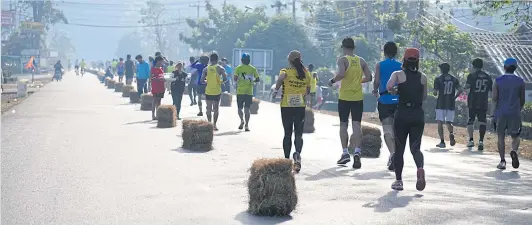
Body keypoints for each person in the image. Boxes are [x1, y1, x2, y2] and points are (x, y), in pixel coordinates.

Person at [328, 37, 372, 169]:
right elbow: (369, 77)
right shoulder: (361, 60)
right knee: (357, 125)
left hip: (345, 97)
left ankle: (345, 153)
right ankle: (357, 152)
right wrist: (359, 81)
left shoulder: (342, 59)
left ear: (343, 47)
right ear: (354, 48)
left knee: (343, 124)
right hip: (358, 97)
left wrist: (332, 81)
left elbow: (341, 74)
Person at [386, 48, 426, 191]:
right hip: (418, 114)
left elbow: (389, 87)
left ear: (404, 59)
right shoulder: (423, 77)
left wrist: (396, 90)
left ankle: (399, 181)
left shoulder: (398, 74)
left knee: (399, 148)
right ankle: (420, 168)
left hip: (402, 114)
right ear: (417, 61)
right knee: (415, 148)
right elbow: (424, 97)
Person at [272, 50, 311, 173]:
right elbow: (308, 90)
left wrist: (276, 89)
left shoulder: (285, 71)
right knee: (298, 133)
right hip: (300, 105)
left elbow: (281, 78)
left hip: (286, 105)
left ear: (289, 60)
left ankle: (286, 160)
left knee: (287, 133)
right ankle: (297, 155)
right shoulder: (306, 73)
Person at [373, 41, 402, 171]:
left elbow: (377, 81)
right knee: (397, 131)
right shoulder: (401, 66)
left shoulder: (379, 65)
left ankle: (392, 154)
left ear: (384, 52)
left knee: (387, 130)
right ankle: (396, 154)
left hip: (384, 100)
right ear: (396, 52)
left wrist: (375, 91)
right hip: (399, 101)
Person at [492, 58, 524, 170]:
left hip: (501, 112)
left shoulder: (497, 80)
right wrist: (517, 111)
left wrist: (493, 114)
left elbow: (494, 98)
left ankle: (502, 161)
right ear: (515, 68)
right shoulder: (520, 81)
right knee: (516, 136)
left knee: (501, 136)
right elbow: (522, 99)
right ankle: (514, 150)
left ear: (504, 67)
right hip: (514, 112)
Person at [465, 58, 493, 150]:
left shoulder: (471, 76)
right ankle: (481, 141)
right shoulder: (488, 76)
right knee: (482, 121)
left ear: (473, 66)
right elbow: (491, 90)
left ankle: (471, 140)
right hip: (483, 101)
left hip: (473, 101)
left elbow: (467, 87)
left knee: (470, 120)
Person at [433, 63, 462, 148]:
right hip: (450, 103)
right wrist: (454, 97)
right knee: (449, 122)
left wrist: (435, 93)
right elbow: (460, 90)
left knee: (439, 122)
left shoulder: (438, 79)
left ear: (441, 69)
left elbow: (435, 92)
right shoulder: (454, 79)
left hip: (441, 103)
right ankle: (451, 133)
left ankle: (442, 142)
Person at [200, 53, 227, 130]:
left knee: (208, 108)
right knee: (216, 108)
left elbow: (201, 81)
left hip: (208, 91)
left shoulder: (206, 69)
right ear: (217, 59)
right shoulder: (221, 68)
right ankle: (214, 125)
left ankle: (209, 124)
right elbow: (225, 79)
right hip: (217, 91)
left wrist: (206, 81)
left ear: (210, 60)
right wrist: (220, 81)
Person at [234, 53, 260, 131]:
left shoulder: (238, 68)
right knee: (247, 109)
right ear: (249, 60)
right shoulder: (253, 69)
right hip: (249, 92)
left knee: (239, 108)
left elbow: (235, 79)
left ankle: (242, 120)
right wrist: (252, 80)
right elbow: (258, 79)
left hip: (240, 91)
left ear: (242, 60)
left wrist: (238, 82)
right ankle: (247, 125)